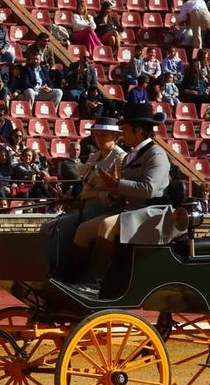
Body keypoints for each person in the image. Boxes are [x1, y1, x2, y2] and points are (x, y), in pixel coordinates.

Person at [68, 105, 174, 287]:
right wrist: (110, 191)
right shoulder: (129, 156)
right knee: (83, 230)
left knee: (107, 225)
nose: (122, 134)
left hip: (153, 212)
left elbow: (149, 189)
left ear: (138, 130)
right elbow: (120, 192)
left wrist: (117, 185)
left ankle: (96, 283)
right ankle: (74, 278)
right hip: (131, 211)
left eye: (125, 129)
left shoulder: (156, 154)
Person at [71, 118, 126, 218]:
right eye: (96, 135)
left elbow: (119, 195)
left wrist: (93, 194)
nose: (99, 138)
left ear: (115, 136)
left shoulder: (121, 158)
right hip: (86, 209)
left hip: (106, 213)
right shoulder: (94, 156)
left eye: (104, 135)